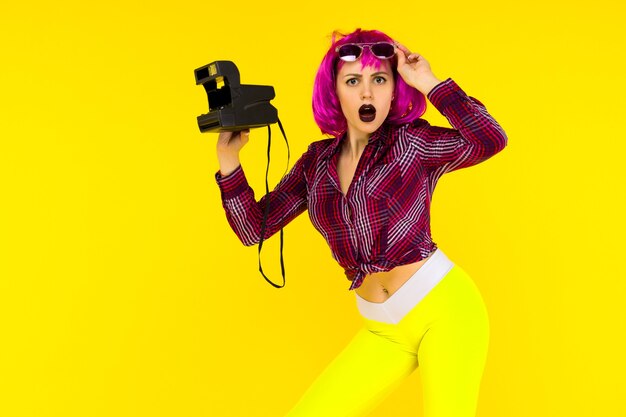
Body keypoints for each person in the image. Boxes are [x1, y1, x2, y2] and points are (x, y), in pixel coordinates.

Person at [214, 28, 507, 417]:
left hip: (445, 311)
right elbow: (253, 229)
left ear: (394, 90)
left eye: (379, 79)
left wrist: (430, 82)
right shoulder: (316, 164)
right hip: (382, 328)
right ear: (335, 92)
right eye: (353, 81)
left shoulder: (411, 143)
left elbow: (490, 139)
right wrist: (229, 161)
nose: (367, 93)